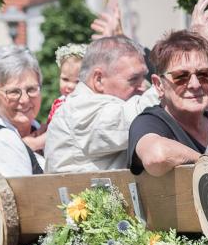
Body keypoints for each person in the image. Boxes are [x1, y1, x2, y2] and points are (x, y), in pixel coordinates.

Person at [45, 36, 158, 173]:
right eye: (133, 79)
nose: (143, 87)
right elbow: (131, 119)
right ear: (98, 80)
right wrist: (170, 85)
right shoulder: (79, 108)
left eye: (143, 77)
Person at [128, 30, 208, 176]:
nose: (195, 84)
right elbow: (157, 156)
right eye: (181, 76)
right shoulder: (149, 122)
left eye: (203, 74)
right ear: (158, 85)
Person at [0, 46, 45, 176]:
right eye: (13, 92)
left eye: (31, 89)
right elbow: (23, 194)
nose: (25, 100)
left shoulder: (45, 130)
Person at [48, 43, 87, 123]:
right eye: (65, 79)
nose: (70, 86)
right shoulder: (58, 102)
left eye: (77, 81)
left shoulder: (84, 106)